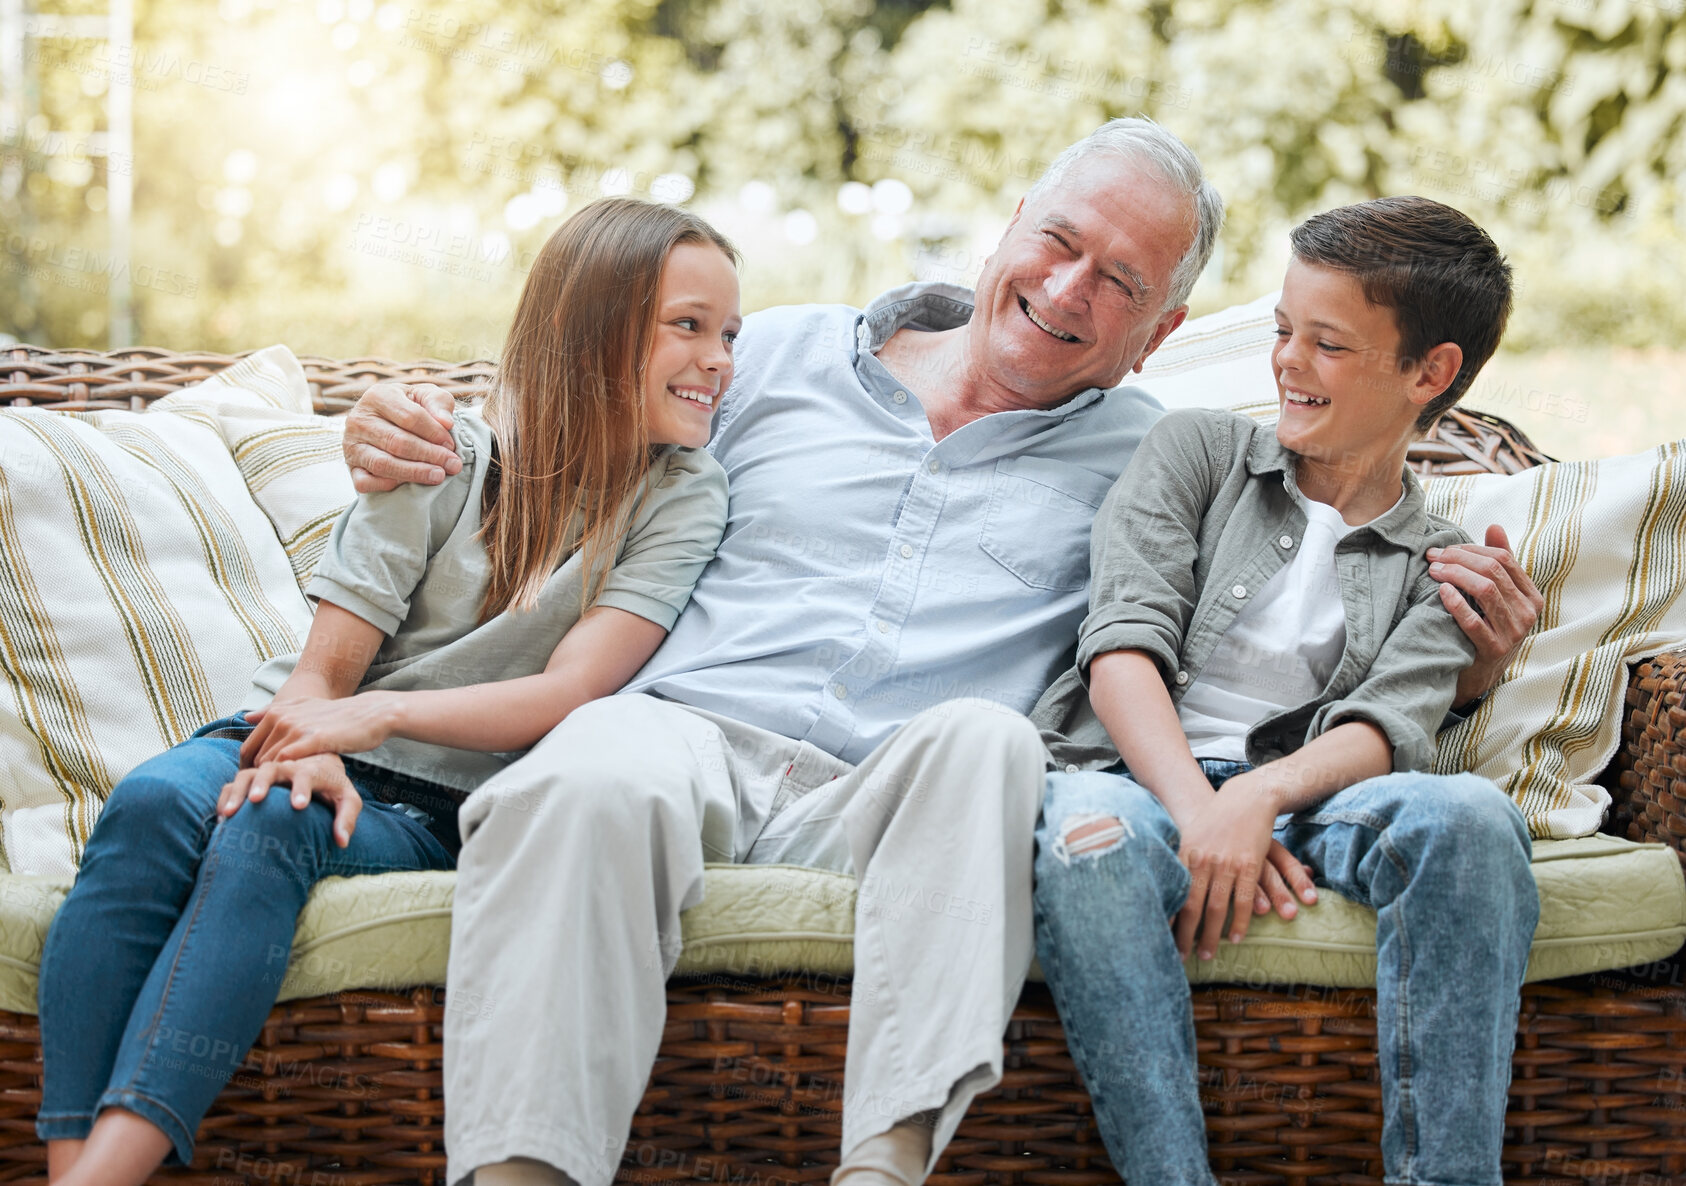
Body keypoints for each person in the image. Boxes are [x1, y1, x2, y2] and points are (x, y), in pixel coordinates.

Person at [339, 121, 1543, 1186]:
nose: (1068, 288)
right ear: (1010, 222)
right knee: (589, 761)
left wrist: (1464, 665)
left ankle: (885, 1162)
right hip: (683, 735)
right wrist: (416, 429)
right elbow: (563, 425)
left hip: (905, 788)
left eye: (1119, 282)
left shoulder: (1164, 458)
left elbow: (1282, 605)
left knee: (989, 740)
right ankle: (521, 1171)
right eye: (1060, 239)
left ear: (1160, 333)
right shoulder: (769, 358)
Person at [34, 197, 738, 1186]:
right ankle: (76, 1166)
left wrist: (372, 715)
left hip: (439, 795)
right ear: (596, 327)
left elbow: (570, 689)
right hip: (297, 721)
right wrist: (320, 729)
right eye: (690, 326)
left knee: (271, 827)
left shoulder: (684, 493)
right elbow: (322, 671)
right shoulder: (436, 451)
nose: (718, 360)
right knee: (151, 799)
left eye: (730, 336)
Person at [1030, 196, 1541, 1186]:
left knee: (1472, 817)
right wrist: (1201, 811)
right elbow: (1121, 644)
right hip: (1131, 781)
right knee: (1083, 838)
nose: (1286, 363)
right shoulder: (1194, 452)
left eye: (1329, 344)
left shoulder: (1443, 561)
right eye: (1281, 330)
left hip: (1309, 803)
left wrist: (1256, 798)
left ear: (1428, 373)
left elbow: (1389, 723)